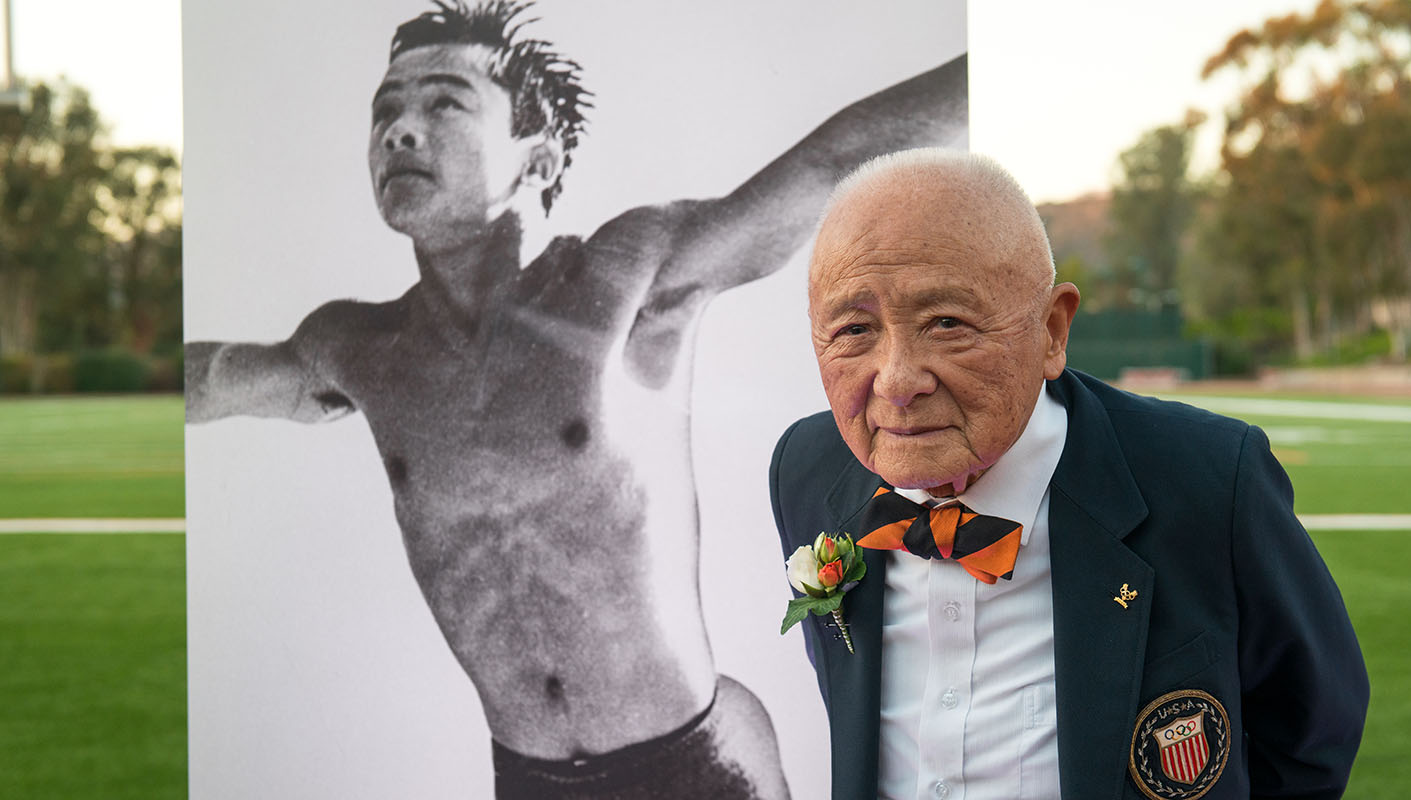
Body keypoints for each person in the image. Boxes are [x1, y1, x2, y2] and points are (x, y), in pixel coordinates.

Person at [184, 1, 966, 797]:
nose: (399, 131)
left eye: (443, 103)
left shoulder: (624, 279)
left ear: (539, 156)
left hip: (695, 765)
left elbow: (837, 161)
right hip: (529, 780)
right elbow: (207, 379)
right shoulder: (356, 348)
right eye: (384, 111)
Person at [769, 149, 1368, 800]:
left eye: (947, 323)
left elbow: (1315, 727)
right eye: (855, 329)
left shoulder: (1210, 481)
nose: (898, 381)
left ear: (1051, 331)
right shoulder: (808, 469)